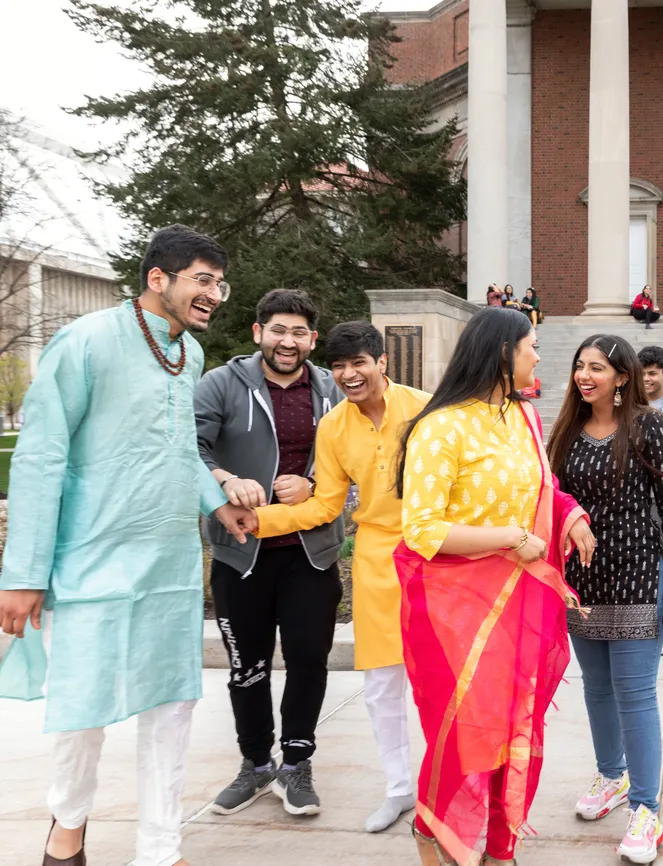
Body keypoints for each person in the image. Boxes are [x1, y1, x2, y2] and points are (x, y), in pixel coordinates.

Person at [0, 225, 254, 866]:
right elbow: (39, 457)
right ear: (157, 279)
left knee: (172, 708)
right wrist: (24, 572)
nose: (214, 295)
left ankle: (162, 848)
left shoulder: (188, 355)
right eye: (203, 280)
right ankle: (67, 829)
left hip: (167, 565)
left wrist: (216, 502)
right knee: (80, 715)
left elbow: (175, 449)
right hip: (89, 561)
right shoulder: (85, 342)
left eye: (219, 283)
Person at [395, 306, 594, 866]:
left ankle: (501, 847)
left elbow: (544, 487)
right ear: (501, 352)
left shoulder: (523, 417)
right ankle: (435, 828)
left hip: (519, 601)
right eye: (530, 345)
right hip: (455, 607)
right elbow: (423, 528)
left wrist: (571, 514)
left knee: (517, 725)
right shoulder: (441, 427)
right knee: (466, 728)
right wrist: (509, 538)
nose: (538, 355)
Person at [246, 321, 431, 833]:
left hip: (435, 557)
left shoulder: (426, 409)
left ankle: (444, 791)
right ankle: (398, 790)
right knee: (381, 688)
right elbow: (325, 505)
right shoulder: (333, 428)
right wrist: (257, 522)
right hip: (375, 563)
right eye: (340, 367)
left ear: (382, 363)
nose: (350, 375)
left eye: (360, 363)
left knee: (439, 684)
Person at [194, 289, 346, 817]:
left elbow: (358, 464)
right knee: (247, 667)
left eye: (299, 332)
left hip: (312, 554)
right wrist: (225, 480)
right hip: (242, 554)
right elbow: (190, 446)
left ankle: (296, 764)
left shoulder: (333, 390)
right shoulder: (221, 383)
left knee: (309, 661)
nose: (288, 340)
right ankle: (256, 764)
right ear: (259, 333)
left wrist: (313, 483)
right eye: (278, 329)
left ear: (312, 339)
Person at [546, 334, 663, 864]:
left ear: (623, 377)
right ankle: (611, 776)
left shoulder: (647, 424)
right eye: (579, 366)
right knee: (596, 689)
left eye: (597, 368)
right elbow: (551, 499)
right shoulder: (565, 429)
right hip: (581, 582)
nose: (584, 376)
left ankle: (646, 809)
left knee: (633, 693)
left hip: (637, 578)